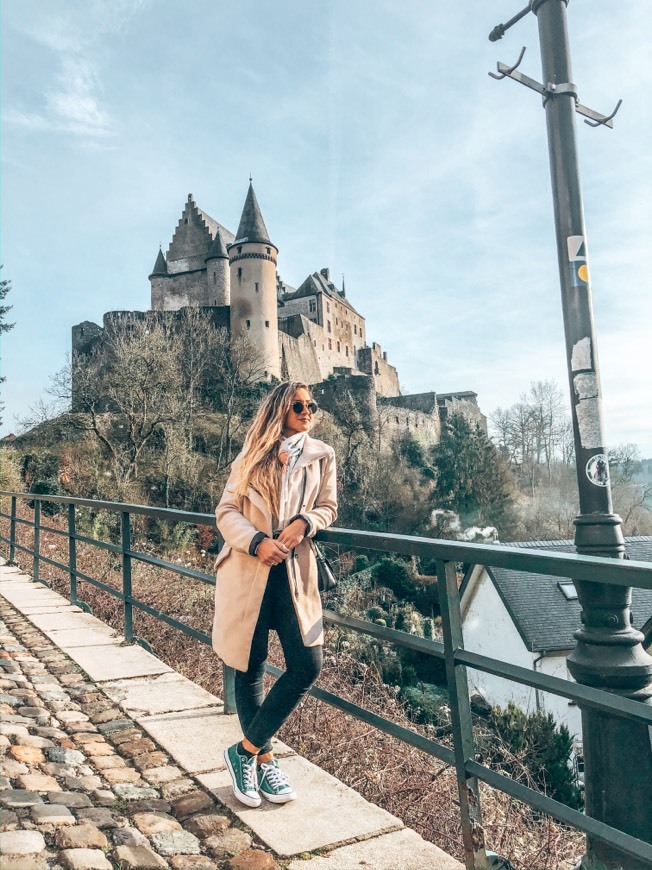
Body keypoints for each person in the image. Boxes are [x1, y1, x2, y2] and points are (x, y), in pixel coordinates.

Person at [212, 381, 337, 807]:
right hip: (250, 570)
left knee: (307, 663)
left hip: (294, 573)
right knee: (249, 663)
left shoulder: (322, 455)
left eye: (312, 405)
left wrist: (305, 522)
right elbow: (225, 511)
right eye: (299, 405)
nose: (308, 411)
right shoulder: (250, 456)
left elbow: (329, 506)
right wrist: (255, 541)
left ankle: (243, 752)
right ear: (281, 409)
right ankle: (264, 762)